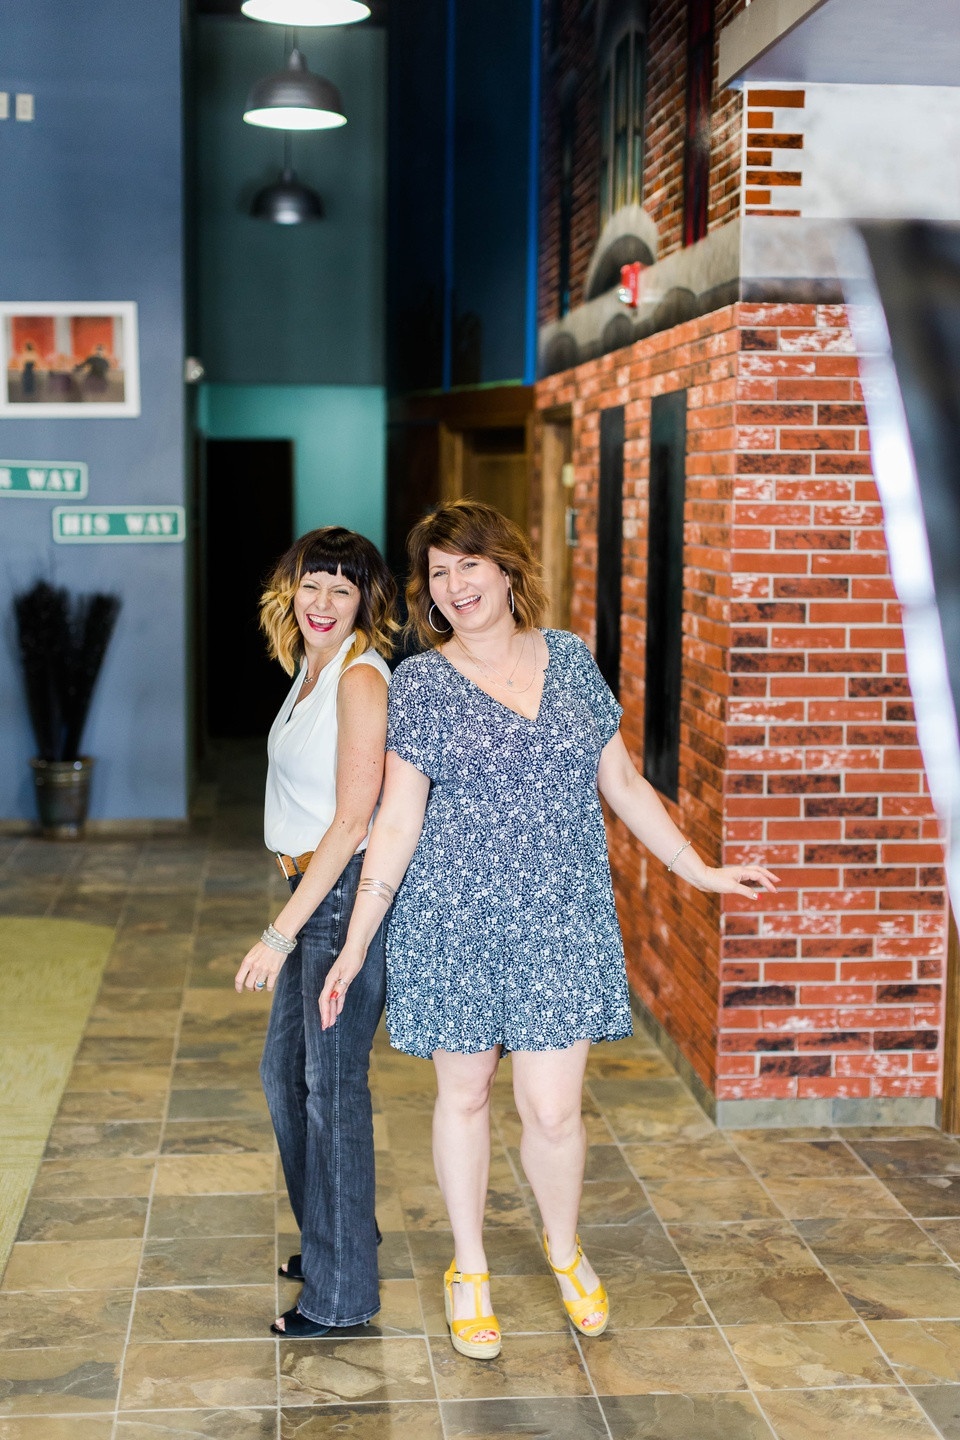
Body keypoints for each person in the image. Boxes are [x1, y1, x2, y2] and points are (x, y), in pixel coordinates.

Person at [318, 500, 780, 1359]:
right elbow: (398, 823)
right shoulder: (420, 684)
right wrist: (355, 942)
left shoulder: (569, 659)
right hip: (454, 919)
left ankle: (565, 1249)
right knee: (465, 1096)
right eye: (439, 574)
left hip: (561, 917)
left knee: (555, 1110)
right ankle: (469, 1268)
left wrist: (701, 870)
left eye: (469, 565)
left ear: (506, 570)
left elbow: (625, 785)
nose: (455, 586)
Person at [234, 526, 398, 1338]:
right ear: (290, 589)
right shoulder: (310, 667)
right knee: (284, 1076)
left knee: (331, 1088)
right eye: (311, 584)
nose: (323, 602)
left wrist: (277, 934)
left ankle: (340, 1296)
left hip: (337, 900)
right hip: (311, 892)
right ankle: (340, 1237)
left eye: (342, 587)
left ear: (365, 600)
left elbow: (352, 820)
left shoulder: (360, 679)